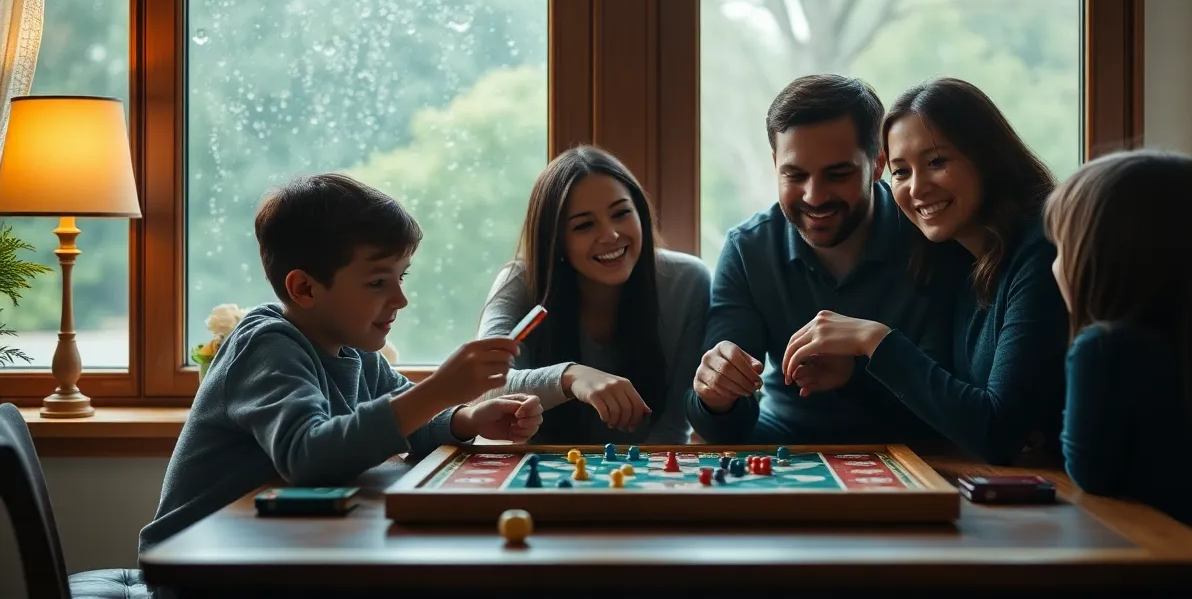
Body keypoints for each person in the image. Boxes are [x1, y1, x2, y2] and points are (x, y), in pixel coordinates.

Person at [139, 174, 542, 555]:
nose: (400, 299)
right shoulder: (265, 347)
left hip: (276, 551)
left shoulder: (357, 351)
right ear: (305, 288)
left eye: (402, 277)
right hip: (199, 565)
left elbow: (413, 424)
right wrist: (439, 388)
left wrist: (467, 418)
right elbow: (309, 456)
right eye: (377, 282)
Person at [779, 78, 1069, 463]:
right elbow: (947, 416)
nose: (917, 188)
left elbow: (997, 433)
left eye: (936, 162)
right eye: (900, 172)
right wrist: (854, 378)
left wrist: (875, 339)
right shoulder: (956, 257)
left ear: (986, 156)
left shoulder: (1041, 250)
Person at [1046, 151, 1192, 598]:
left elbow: (1090, 474)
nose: (1056, 264)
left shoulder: (1103, 347)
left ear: (1099, 257)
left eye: (1062, 247)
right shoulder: (1182, 349)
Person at [688, 74, 959, 444]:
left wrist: (855, 377)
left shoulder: (930, 234)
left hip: (915, 450)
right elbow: (724, 427)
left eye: (837, 174)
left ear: (877, 164)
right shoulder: (749, 249)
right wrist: (715, 399)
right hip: (784, 442)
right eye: (795, 175)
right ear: (775, 164)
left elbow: (952, 406)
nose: (814, 197)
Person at [477, 145, 710, 444]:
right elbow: (485, 386)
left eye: (622, 213)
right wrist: (571, 377)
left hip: (648, 475)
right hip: (541, 475)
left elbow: (677, 423)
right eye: (584, 225)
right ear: (556, 239)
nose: (611, 235)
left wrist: (640, 484)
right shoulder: (519, 282)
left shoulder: (687, 282)